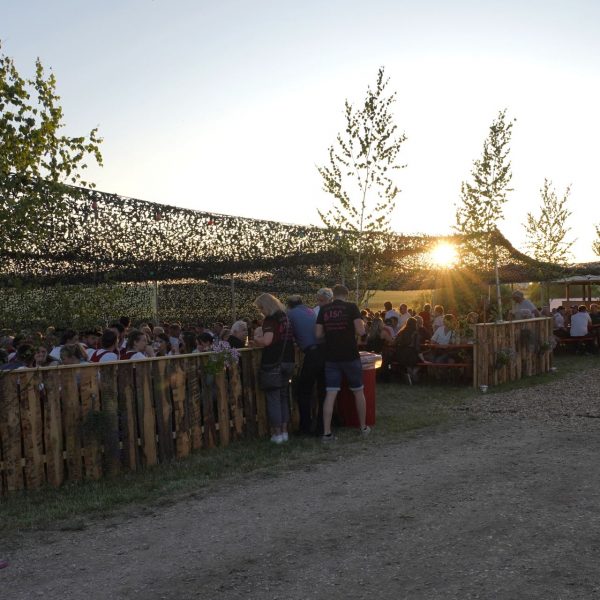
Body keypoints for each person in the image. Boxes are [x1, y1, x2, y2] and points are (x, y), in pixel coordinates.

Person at [315, 284, 370, 440]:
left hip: (331, 356)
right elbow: (360, 331)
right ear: (347, 294)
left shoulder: (324, 309)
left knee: (331, 393)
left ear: (333, 295)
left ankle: (327, 433)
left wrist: (331, 332)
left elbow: (318, 334)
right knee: (358, 391)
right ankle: (363, 427)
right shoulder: (351, 307)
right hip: (350, 355)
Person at [253, 293, 295, 444]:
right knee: (283, 397)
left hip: (274, 363)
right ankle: (284, 432)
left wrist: (256, 340)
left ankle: (277, 434)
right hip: (289, 361)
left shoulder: (270, 320)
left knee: (273, 399)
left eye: (261, 308)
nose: (261, 311)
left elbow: (267, 341)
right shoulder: (285, 318)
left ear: (267, 306)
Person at [286, 294, 325, 436]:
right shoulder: (309, 310)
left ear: (289, 305)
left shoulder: (290, 314)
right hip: (323, 351)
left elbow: (287, 334)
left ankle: (305, 427)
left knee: (303, 392)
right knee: (322, 392)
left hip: (312, 354)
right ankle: (322, 427)